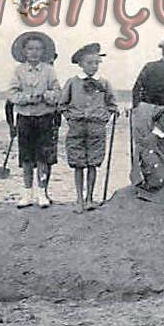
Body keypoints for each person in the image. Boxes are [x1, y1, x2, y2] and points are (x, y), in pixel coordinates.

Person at [60, 43, 119, 212]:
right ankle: (79, 199)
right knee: (78, 163)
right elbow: (62, 104)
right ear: (80, 64)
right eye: (89, 63)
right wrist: (70, 117)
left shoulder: (104, 83)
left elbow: (112, 104)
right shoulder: (72, 82)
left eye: (96, 63)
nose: (93, 66)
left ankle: (90, 198)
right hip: (76, 126)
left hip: (96, 127)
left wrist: (104, 118)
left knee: (93, 162)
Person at [8, 31, 60, 209]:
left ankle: (42, 192)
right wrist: (29, 97)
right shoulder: (18, 71)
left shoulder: (49, 70)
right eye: (30, 49)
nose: (34, 52)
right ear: (24, 51)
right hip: (25, 118)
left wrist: (45, 95)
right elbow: (12, 94)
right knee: (27, 157)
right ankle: (27, 192)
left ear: (43, 51)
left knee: (43, 157)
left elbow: (57, 93)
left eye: (38, 49)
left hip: (45, 117)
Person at [130, 36, 164, 184]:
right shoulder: (150, 67)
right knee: (143, 145)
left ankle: (161, 180)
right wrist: (137, 109)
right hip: (146, 110)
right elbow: (137, 89)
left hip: (163, 113)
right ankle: (139, 179)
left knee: (162, 145)